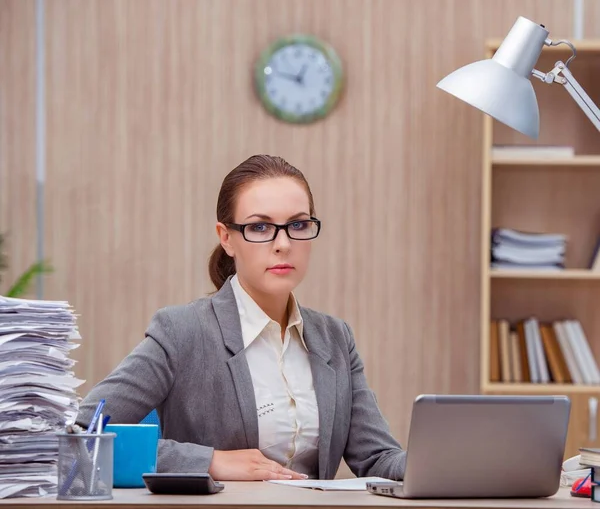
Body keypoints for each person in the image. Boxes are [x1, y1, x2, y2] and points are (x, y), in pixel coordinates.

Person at [77, 154, 406, 481]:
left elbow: (377, 458)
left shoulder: (334, 337)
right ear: (226, 237)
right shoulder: (181, 332)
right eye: (260, 227)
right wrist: (207, 461)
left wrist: (447, 462)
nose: (283, 244)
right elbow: (82, 433)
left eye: (298, 224)